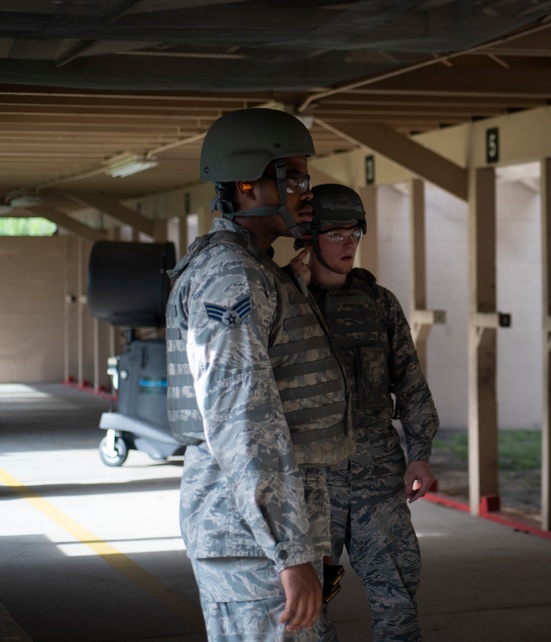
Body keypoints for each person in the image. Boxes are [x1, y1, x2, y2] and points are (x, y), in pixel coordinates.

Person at [166, 108, 353, 641]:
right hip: (251, 539)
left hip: (261, 535)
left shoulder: (257, 269)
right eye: (292, 177)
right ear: (248, 186)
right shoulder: (233, 276)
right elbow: (241, 419)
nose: (305, 192)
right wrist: (289, 552)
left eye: (304, 178)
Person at [304, 183, 439, 642]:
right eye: (335, 233)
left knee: (396, 597)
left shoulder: (379, 304)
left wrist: (419, 451)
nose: (348, 243)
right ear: (308, 235)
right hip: (310, 477)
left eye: (354, 232)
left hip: (376, 471)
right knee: (307, 603)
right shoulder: (286, 303)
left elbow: (411, 381)